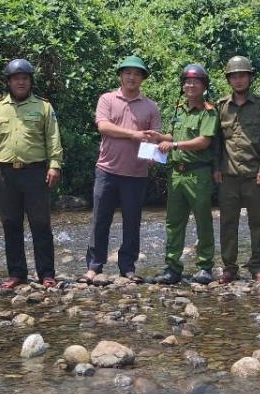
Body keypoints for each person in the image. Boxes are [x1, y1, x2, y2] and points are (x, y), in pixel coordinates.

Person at [0, 59, 63, 289]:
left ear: (31, 81)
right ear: (9, 82)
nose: (21, 82)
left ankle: (46, 274)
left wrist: (54, 165)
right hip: (4, 174)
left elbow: (53, 138)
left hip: (35, 172)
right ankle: (17, 274)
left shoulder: (44, 107)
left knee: (41, 224)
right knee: (10, 224)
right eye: (16, 78)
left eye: (25, 78)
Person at [84, 56, 161, 283]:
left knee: (132, 222)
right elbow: (104, 127)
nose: (132, 77)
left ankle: (127, 267)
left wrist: (153, 155)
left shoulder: (151, 107)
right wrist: (133, 134)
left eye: (137, 74)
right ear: (120, 75)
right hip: (107, 170)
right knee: (100, 220)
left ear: (142, 79)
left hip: (136, 173)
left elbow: (154, 137)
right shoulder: (107, 99)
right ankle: (94, 266)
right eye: (128, 73)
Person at [151, 64, 219, 285]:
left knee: (203, 221)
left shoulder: (208, 112)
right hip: (176, 174)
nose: (190, 85)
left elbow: (204, 141)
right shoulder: (179, 110)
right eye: (187, 82)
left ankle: (205, 267)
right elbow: (173, 136)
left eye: (195, 82)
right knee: (173, 222)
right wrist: (159, 137)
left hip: (198, 174)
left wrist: (175, 145)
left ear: (204, 86)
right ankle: (172, 267)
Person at [214, 56, 260, 283]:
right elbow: (216, 141)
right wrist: (216, 167)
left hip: (254, 174)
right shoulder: (221, 106)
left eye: (242, 76)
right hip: (228, 175)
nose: (238, 80)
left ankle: (257, 267)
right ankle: (230, 267)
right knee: (228, 223)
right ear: (229, 80)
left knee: (257, 223)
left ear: (250, 78)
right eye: (234, 76)